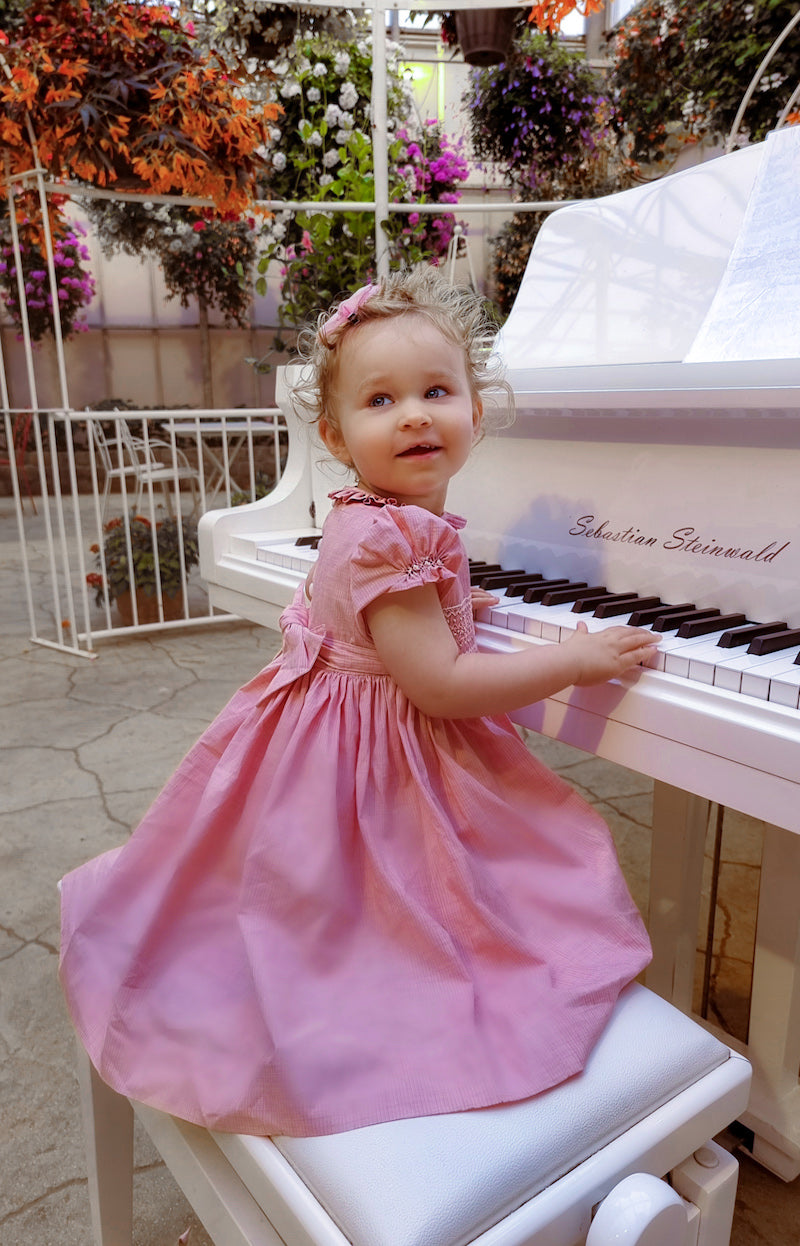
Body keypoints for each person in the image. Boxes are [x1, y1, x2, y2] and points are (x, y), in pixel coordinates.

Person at [59, 270, 660, 1140]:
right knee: (452, 905)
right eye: (382, 401)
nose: (415, 414)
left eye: (436, 392)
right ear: (337, 436)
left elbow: (365, 617)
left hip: (324, 732)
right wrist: (574, 656)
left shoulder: (371, 515)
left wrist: (455, 609)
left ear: (476, 414)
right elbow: (441, 686)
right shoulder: (390, 532)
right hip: (371, 758)